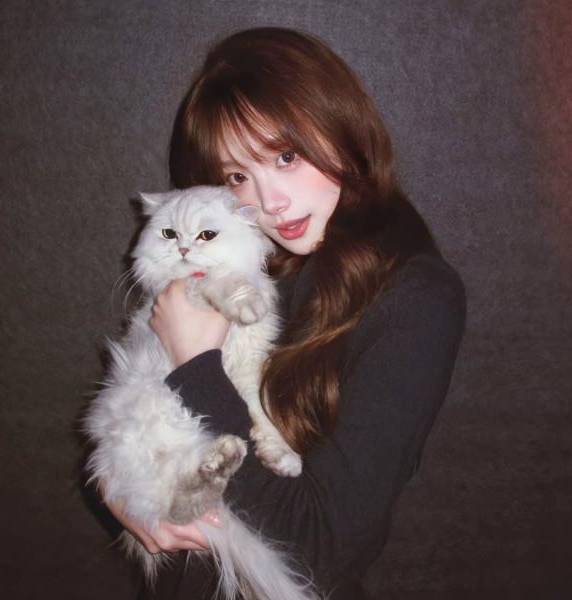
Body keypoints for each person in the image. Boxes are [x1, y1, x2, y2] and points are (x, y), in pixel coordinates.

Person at [103, 27, 466, 599]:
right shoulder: (247, 260)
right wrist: (120, 491)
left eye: (287, 156)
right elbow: (136, 400)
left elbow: (321, 548)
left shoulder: (416, 299)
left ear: (344, 128)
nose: (270, 202)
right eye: (238, 176)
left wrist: (197, 367)